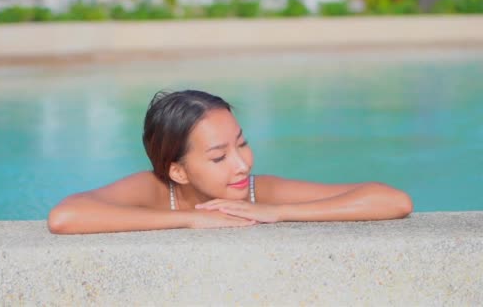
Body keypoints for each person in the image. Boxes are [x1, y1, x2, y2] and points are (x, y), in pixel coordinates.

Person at [48, 90, 413, 234]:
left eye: (243, 144)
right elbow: (66, 216)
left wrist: (279, 211)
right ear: (178, 170)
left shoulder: (259, 191)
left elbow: (393, 200)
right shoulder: (154, 188)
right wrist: (193, 218)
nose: (241, 165)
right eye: (219, 156)